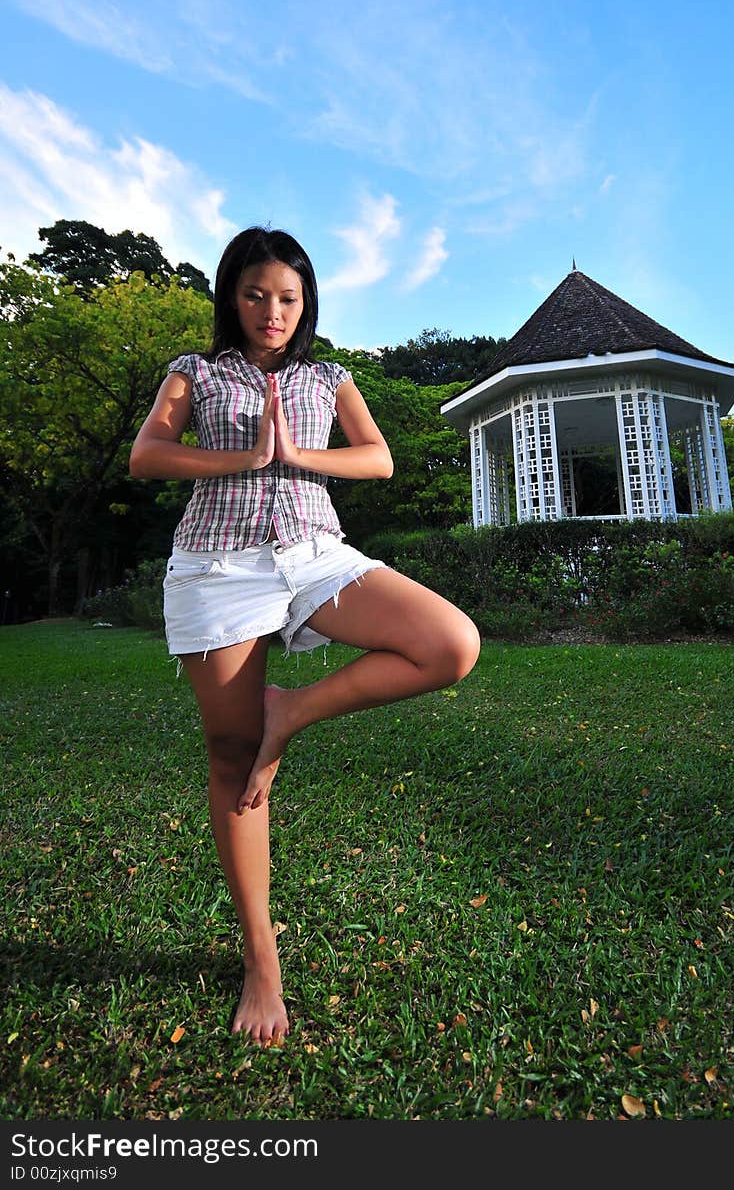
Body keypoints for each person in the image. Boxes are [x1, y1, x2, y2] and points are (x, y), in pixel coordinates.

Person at [129, 226, 481, 1047]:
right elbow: (149, 454)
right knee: (231, 757)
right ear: (232, 296)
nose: (271, 311)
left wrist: (296, 453)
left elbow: (381, 459)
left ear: (306, 301)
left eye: (287, 297)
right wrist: (245, 459)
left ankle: (292, 710)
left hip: (316, 552)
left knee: (449, 643)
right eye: (255, 294)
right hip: (218, 563)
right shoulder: (196, 370)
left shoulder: (330, 375)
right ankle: (261, 958)